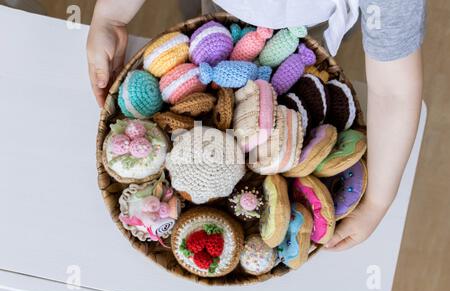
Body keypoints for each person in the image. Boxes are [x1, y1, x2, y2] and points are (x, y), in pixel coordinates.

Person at [87, 0, 425, 251]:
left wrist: (379, 199)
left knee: (314, 52)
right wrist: (112, 16)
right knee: (211, 27)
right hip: (226, 13)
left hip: (313, 19)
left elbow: (394, 91)